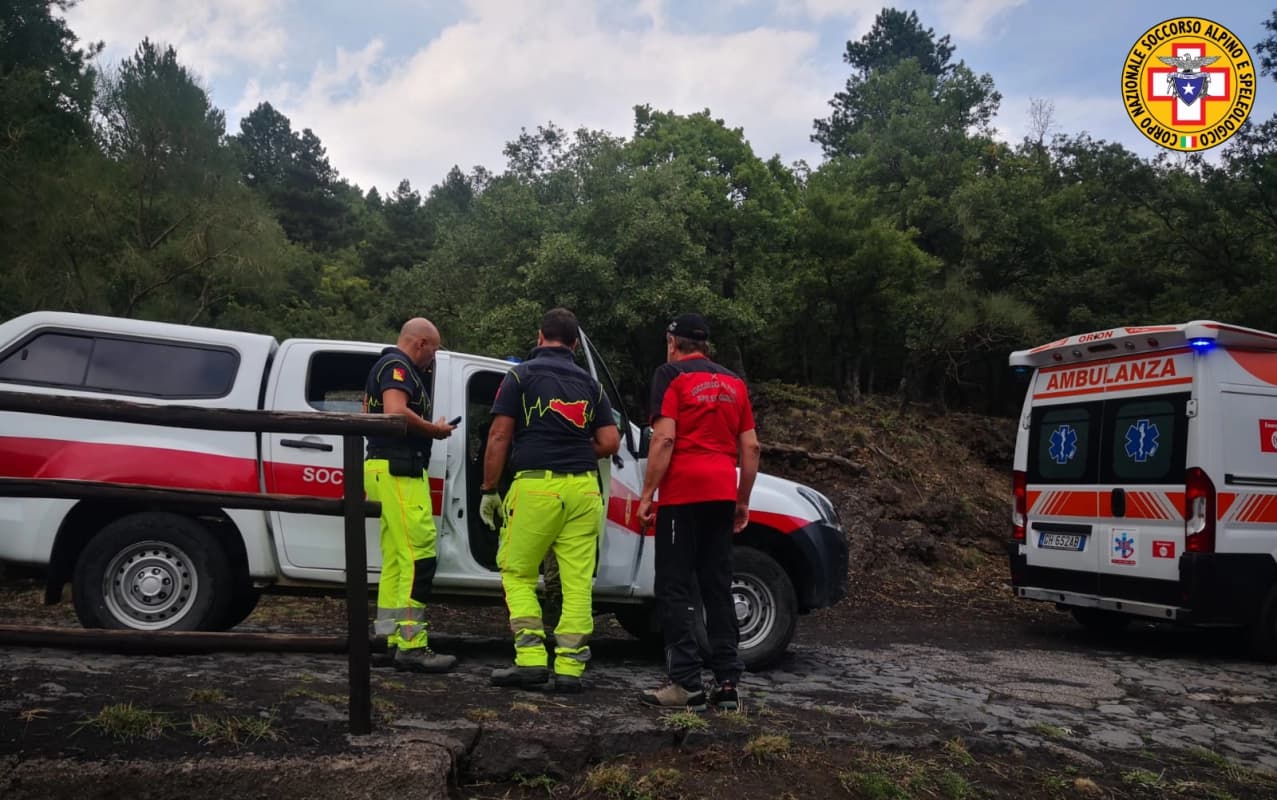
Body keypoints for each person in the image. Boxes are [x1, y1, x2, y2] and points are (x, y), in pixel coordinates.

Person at [478, 308, 620, 693]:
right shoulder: (591, 385)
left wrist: (489, 489)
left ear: (540, 336)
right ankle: (570, 668)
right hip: (584, 490)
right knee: (577, 582)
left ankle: (530, 661)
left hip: (537, 488)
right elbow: (610, 441)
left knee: (518, 572)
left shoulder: (520, 376)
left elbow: (499, 436)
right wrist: (576, 450)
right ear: (574, 344)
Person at [636, 313, 761, 712]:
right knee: (717, 586)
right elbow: (751, 447)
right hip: (721, 492)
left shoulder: (669, 375)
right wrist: (742, 500)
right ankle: (727, 684)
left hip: (682, 494)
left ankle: (686, 683)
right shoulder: (734, 382)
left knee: (674, 587)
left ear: (672, 343)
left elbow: (664, 439)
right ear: (705, 344)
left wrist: (647, 494)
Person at [362, 317, 457, 673]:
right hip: (399, 469)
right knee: (420, 556)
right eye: (434, 350)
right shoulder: (397, 367)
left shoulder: (382, 366)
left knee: (397, 558)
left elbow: (369, 413)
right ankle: (412, 645)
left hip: (383, 467)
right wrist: (434, 429)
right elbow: (394, 412)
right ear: (421, 343)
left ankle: (387, 639)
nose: (433, 358)